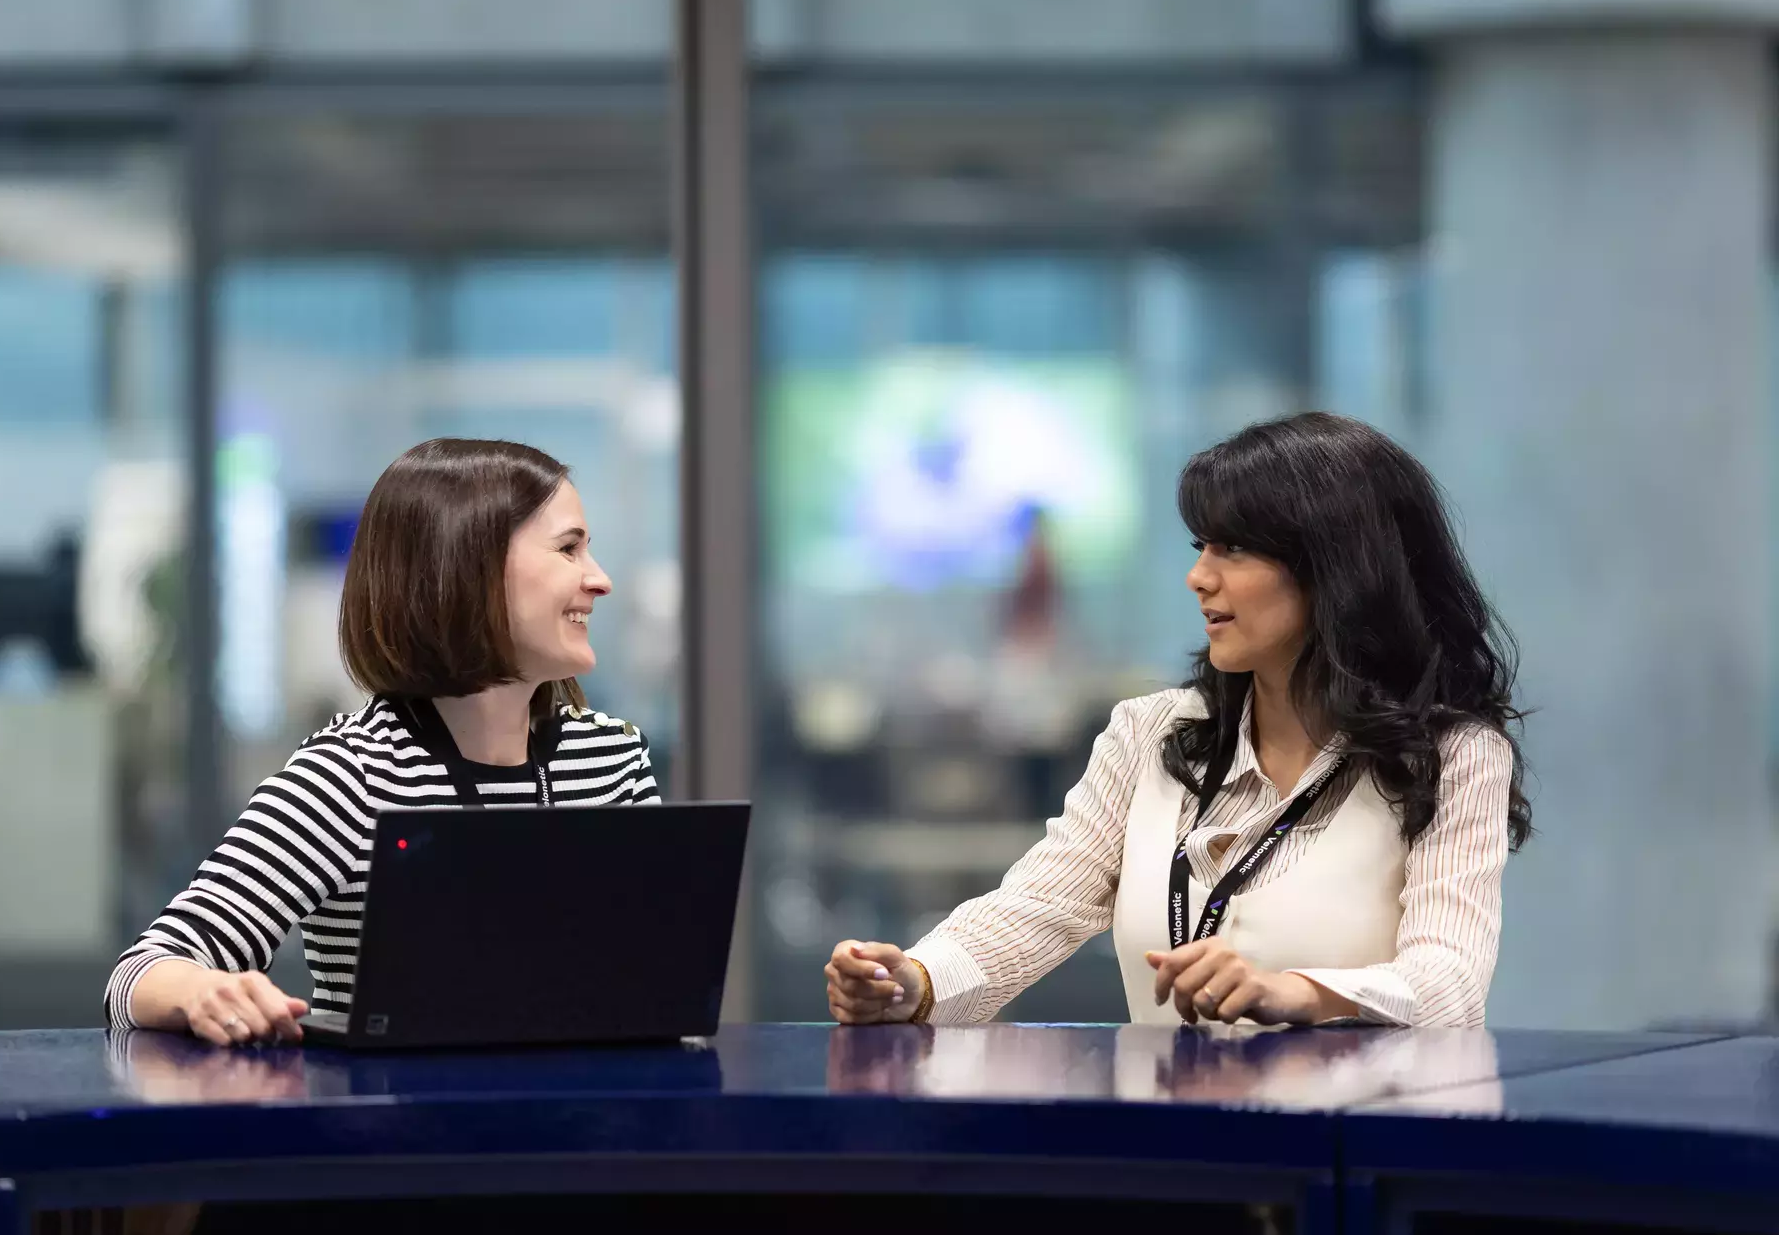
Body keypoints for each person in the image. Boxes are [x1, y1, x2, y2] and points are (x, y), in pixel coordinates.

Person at [826, 413, 1530, 1029]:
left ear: (1338, 568)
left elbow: (1450, 986)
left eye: (1233, 549)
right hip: (1177, 1154)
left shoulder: (1454, 754)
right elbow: (1034, 909)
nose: (1198, 575)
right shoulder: (1151, 732)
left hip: (1342, 1158)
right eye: (1200, 545)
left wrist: (1300, 993)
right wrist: (909, 982)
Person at [105, 438, 658, 1045]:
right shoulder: (352, 775)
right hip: (403, 1132)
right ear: (468, 565)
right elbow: (139, 974)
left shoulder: (612, 758)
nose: (599, 580)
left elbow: (655, 985)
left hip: (594, 1128)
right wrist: (206, 992)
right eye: (569, 549)